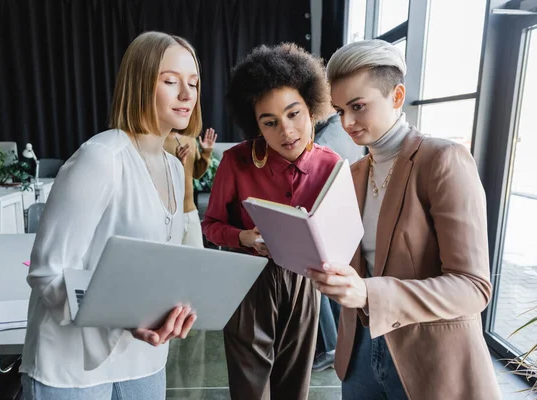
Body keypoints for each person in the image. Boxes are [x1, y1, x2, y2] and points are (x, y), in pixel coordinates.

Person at [307, 39, 500, 400]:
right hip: (360, 352)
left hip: (428, 357)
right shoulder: (352, 174)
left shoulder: (443, 161)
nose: (347, 122)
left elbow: (473, 287)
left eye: (358, 106)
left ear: (397, 97)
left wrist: (369, 292)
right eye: (339, 110)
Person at [19, 31, 202, 400]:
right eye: (171, 81)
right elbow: (46, 272)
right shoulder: (101, 158)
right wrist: (123, 315)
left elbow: (164, 263)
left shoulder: (171, 165)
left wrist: (177, 307)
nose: (186, 94)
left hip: (144, 359)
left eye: (193, 83)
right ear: (139, 84)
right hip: (71, 367)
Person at [202, 43, 340, 400]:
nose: (287, 130)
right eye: (270, 122)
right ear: (256, 125)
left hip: (305, 284)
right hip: (248, 283)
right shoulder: (236, 161)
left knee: (294, 387)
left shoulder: (332, 166)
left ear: (312, 108)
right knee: (249, 389)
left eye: (294, 113)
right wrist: (244, 237)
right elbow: (211, 224)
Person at [312, 112, 364, 372]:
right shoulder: (350, 134)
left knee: (318, 279)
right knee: (336, 279)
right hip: (349, 217)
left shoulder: (324, 139)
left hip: (327, 218)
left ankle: (329, 347)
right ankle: (339, 343)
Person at [164, 127, 217, 247]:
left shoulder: (190, 139)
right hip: (169, 215)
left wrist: (206, 152)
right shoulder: (159, 141)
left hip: (190, 211)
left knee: (197, 260)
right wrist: (177, 163)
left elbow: (197, 173)